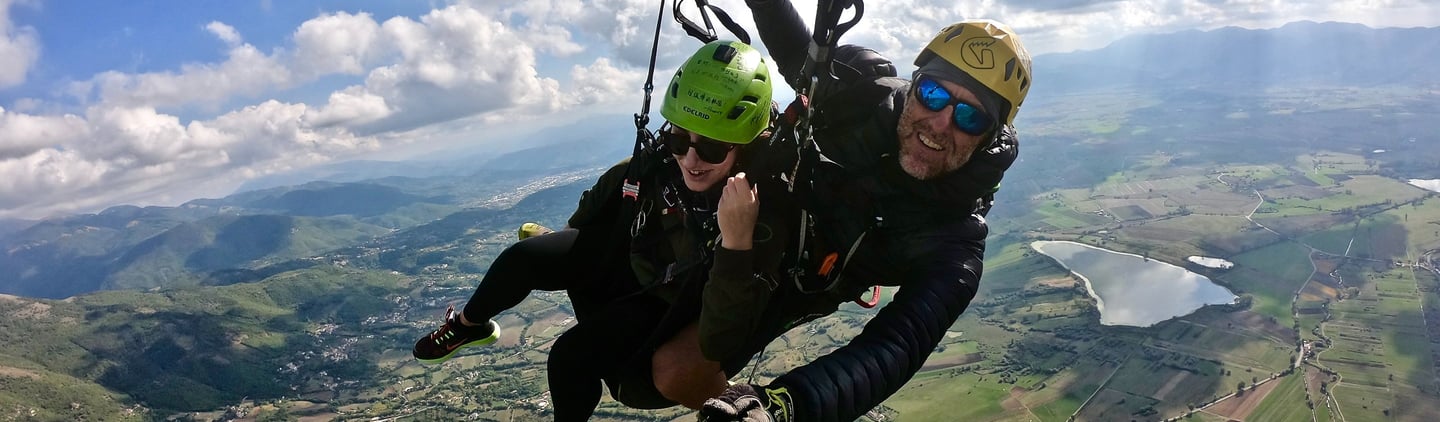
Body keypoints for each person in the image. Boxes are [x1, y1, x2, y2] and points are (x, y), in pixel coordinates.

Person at [409, 40, 795, 421]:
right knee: (522, 259)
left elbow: (721, 339)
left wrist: (735, 242)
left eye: (711, 148)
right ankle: (468, 326)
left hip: (666, 302)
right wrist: (567, 246)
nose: (691, 159)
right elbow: (604, 202)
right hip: (631, 260)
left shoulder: (760, 210)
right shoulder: (658, 162)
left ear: (744, 143)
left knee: (567, 359)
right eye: (679, 138)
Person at [695, 2, 1033, 421]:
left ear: (988, 137)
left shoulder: (955, 243)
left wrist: (786, 404)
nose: (941, 124)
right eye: (933, 93)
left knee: (671, 373)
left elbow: (896, 345)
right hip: (754, 212)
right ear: (913, 85)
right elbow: (797, 49)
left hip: (795, 282)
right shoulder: (858, 95)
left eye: (970, 116)